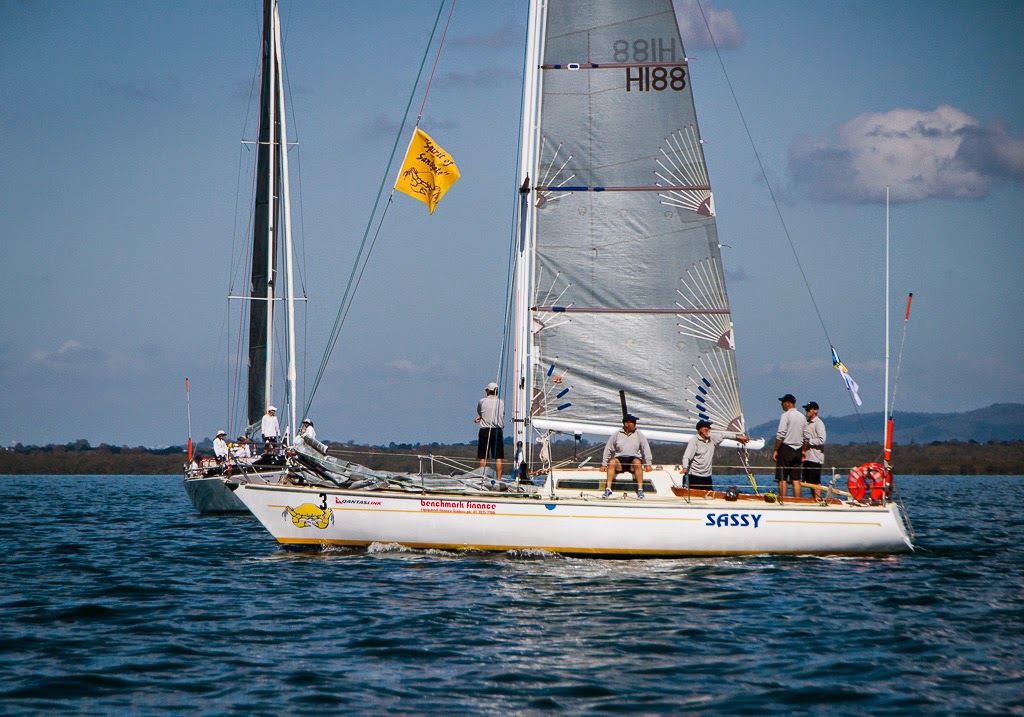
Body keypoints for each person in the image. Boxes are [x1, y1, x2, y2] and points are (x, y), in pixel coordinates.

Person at [681, 419, 749, 492]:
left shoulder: (712, 438)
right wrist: (685, 467)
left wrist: (738, 438)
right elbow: (687, 456)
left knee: (709, 496)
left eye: (709, 427)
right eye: (707, 427)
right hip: (695, 476)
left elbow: (724, 435)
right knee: (695, 497)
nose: (709, 429)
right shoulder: (694, 441)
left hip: (707, 476)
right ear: (701, 430)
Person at [602, 414, 653, 499]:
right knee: (612, 462)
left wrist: (648, 464)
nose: (635, 424)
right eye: (633, 422)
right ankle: (608, 489)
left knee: (637, 462)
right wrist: (604, 464)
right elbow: (608, 448)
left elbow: (645, 449)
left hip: (633, 459)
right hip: (620, 459)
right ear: (626, 424)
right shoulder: (617, 434)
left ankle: (640, 489)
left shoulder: (638, 434)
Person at [773, 394, 807, 500]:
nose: (781, 405)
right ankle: (798, 501)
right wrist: (804, 450)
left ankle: (783, 499)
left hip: (786, 448)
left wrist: (775, 450)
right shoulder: (802, 416)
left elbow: (781, 434)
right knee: (796, 479)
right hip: (798, 449)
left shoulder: (786, 415)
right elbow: (807, 437)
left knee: (782, 478)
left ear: (788, 403)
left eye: (782, 403)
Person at [475, 382, 505, 481]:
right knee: (498, 457)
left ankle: (482, 479)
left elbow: (480, 412)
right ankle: (499, 480)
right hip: (497, 430)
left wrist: (480, 417)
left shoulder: (482, 401)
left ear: (488, 391)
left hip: (485, 430)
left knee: (483, 457)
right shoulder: (501, 402)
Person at [802, 401, 827, 501]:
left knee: (815, 480)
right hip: (807, 456)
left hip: (815, 457)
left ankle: (818, 498)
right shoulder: (807, 423)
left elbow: (822, 439)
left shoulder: (818, 423)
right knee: (809, 481)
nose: (807, 411)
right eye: (806, 409)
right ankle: (814, 498)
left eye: (809, 409)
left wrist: (809, 442)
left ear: (815, 410)